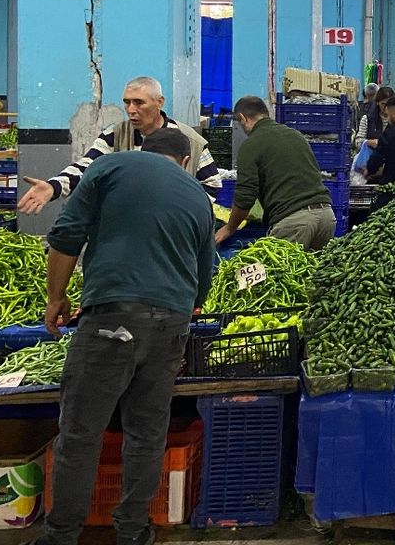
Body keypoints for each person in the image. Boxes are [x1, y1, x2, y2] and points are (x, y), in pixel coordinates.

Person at [34, 128, 214, 545]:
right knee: (147, 434)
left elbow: (65, 236)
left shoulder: (110, 164)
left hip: (111, 318)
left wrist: (56, 298)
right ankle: (132, 532)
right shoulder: (197, 196)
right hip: (170, 325)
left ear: (142, 149)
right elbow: (202, 284)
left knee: (81, 433)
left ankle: (60, 536)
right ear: (185, 161)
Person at [18, 77, 221, 214]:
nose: (131, 110)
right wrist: (53, 187)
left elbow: (211, 185)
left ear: (159, 102)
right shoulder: (115, 136)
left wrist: (184, 214)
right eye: (127, 102)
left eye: (139, 103)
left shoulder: (190, 140)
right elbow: (85, 168)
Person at [216, 97, 336, 250]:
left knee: (280, 273)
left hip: (294, 222)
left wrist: (229, 228)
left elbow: (245, 196)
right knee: (314, 272)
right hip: (326, 216)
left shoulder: (252, 144)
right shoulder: (295, 135)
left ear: (242, 118)